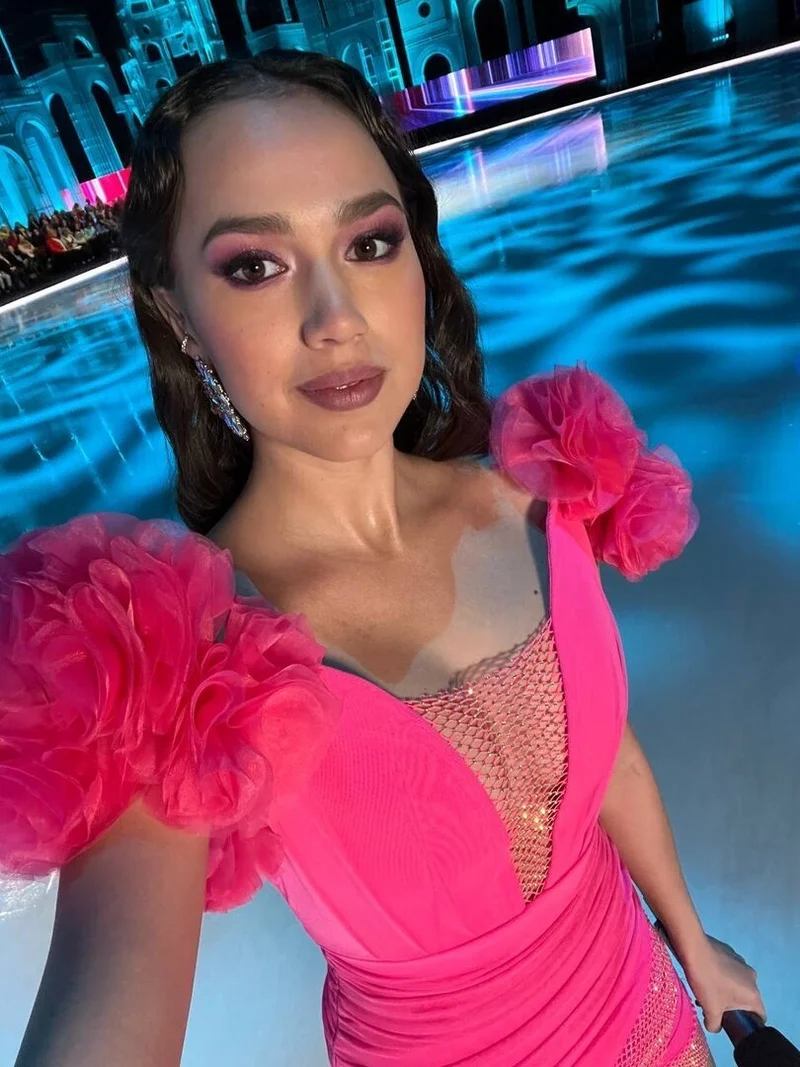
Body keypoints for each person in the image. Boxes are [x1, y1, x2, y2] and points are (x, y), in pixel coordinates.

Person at [0, 50, 765, 1067]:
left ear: (416, 253)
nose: (336, 319)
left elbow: (607, 758)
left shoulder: (536, 500)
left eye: (368, 242)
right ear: (180, 315)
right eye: (254, 266)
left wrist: (691, 939)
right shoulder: (184, 656)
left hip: (647, 1008)